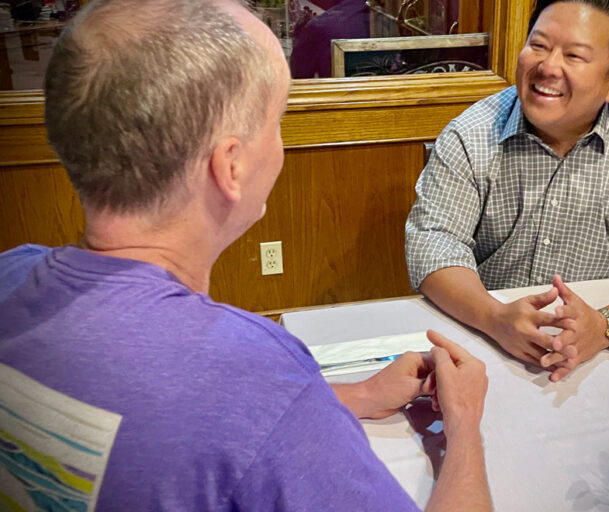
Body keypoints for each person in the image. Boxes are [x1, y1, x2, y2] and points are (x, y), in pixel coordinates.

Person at [0, 0, 491, 510]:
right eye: (277, 120)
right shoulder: (252, 372)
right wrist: (464, 423)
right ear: (229, 166)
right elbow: (235, 402)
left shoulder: (9, 275)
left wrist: (358, 395)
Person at [405, 0, 609, 382]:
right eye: (539, 45)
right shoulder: (471, 134)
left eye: (574, 55)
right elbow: (433, 244)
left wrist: (604, 327)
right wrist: (492, 316)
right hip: (485, 341)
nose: (548, 66)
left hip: (604, 357)